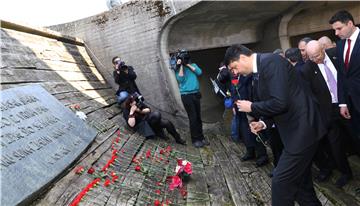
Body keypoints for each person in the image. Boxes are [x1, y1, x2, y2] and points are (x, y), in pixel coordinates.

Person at [224, 44, 326, 205]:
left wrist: (252, 107)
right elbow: (283, 100)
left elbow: (280, 103)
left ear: (243, 58)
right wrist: (264, 123)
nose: (235, 73)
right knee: (301, 185)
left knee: (281, 183)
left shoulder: (271, 62)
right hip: (296, 131)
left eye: (234, 67)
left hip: (302, 131)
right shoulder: (261, 68)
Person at [303, 40, 353, 187]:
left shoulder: (336, 55)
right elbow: (310, 96)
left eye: (317, 55)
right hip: (327, 113)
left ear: (323, 49)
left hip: (348, 104)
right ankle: (346, 173)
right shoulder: (306, 69)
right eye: (311, 57)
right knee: (335, 145)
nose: (315, 59)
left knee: (355, 136)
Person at [217, 66, 269, 167]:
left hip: (251, 107)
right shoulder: (231, 75)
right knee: (245, 132)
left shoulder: (247, 75)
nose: (234, 71)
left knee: (256, 131)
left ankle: (262, 156)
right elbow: (227, 85)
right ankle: (250, 152)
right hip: (239, 108)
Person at [329, 10, 360, 154]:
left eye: (339, 28)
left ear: (350, 23)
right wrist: (342, 102)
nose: (336, 33)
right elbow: (341, 75)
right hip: (352, 104)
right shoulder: (340, 45)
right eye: (334, 29)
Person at [174, 50, 208, 148]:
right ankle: (195, 139)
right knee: (193, 118)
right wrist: (181, 65)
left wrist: (187, 65)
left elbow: (199, 72)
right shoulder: (177, 68)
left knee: (198, 117)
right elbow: (180, 79)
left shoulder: (193, 65)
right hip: (186, 96)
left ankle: (201, 137)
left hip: (196, 94)